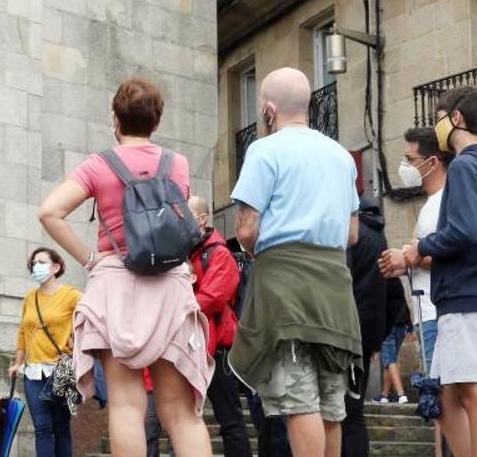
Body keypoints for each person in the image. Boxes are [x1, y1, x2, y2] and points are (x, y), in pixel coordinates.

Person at [38, 76, 213, 456]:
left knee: (128, 405)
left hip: (116, 284)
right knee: (182, 413)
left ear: (115, 118)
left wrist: (88, 257)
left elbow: (50, 211)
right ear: (156, 120)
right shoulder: (177, 164)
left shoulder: (99, 165)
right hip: (168, 284)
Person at [228, 68, 362, 457]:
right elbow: (353, 234)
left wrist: (257, 254)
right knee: (332, 404)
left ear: (269, 110)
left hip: (285, 287)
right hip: (335, 288)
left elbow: (247, 229)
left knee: (299, 400)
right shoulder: (341, 156)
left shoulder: (264, 150)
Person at [384, 86, 477, 457]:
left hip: (466, 291)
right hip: (468, 291)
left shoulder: (468, 166)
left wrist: (417, 250)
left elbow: (465, 231)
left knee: (475, 391)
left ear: (456, 119)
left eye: (440, 117)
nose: (436, 125)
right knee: (444, 392)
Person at [379, 125, 451, 457]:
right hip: (429, 316)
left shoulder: (440, 203)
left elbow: (451, 254)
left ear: (432, 162)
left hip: (438, 314)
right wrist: (406, 261)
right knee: (438, 402)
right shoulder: (432, 204)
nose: (405, 167)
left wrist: (409, 257)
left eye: (410, 159)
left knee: (445, 402)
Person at [187, 196, 251, 457]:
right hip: (192, 346)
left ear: (202, 218)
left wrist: (177, 307)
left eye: (186, 214)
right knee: (184, 420)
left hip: (218, 348)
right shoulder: (187, 253)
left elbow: (212, 298)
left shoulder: (219, 253)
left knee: (230, 420)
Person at [6, 247, 83, 457]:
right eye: (33, 263)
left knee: (61, 427)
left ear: (55, 267)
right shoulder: (30, 298)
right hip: (33, 372)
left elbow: (92, 318)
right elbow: (23, 332)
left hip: (60, 371)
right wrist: (17, 363)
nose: (35, 266)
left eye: (40, 262)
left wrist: (75, 341)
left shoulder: (71, 295)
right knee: (42, 428)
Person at [342, 196, 390, 457]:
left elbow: (342, 280)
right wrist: (375, 339)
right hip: (365, 338)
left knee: (342, 413)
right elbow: (392, 294)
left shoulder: (351, 234)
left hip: (343, 333)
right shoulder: (380, 238)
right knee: (354, 411)